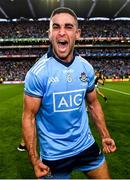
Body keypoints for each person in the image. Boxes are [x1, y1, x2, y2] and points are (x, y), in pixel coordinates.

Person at [22, 7, 116, 179]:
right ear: (49, 34)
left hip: (85, 146)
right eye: (56, 27)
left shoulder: (86, 68)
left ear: (77, 33)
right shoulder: (37, 73)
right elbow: (29, 116)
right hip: (54, 155)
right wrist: (35, 160)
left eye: (68, 27)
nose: (62, 33)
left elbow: (93, 103)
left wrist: (105, 136)